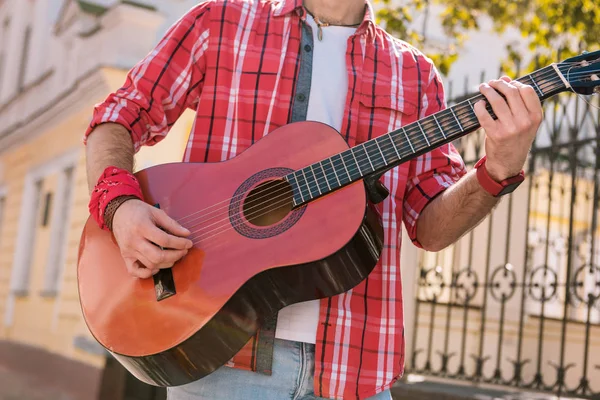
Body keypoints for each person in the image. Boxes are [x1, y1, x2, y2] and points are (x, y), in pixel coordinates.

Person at [83, 0, 543, 399]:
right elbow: (117, 116)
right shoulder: (219, 23)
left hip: (356, 370)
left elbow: (430, 225)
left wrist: (498, 169)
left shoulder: (415, 75)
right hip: (222, 362)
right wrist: (120, 206)